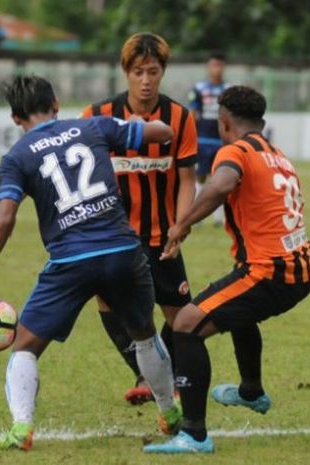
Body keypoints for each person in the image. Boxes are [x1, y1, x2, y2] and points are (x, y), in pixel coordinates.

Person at [0, 75, 182, 451]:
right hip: (122, 251)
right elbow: (161, 133)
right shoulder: (92, 126)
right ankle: (170, 412)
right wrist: (149, 125)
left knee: (23, 346)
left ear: (16, 118)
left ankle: (22, 429)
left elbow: (4, 219)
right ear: (55, 102)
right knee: (144, 333)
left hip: (72, 261)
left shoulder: (17, 157)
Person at [144, 85, 310, 454]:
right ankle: (250, 392)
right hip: (298, 270)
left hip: (269, 271)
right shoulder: (278, 155)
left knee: (185, 324)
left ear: (223, 122)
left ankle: (194, 435)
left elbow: (221, 185)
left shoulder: (234, 150)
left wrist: (182, 223)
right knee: (235, 308)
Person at [81, 32, 198, 405]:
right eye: (137, 72)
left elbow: (186, 179)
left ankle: (158, 374)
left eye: (152, 71)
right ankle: (146, 374)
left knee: (182, 317)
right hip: (114, 237)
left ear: (163, 71)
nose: (145, 81)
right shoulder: (97, 116)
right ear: (125, 72)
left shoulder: (179, 117)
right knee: (108, 304)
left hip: (161, 235)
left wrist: (182, 224)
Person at [188, 52, 228, 225]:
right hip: (203, 139)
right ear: (208, 67)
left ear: (223, 67)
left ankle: (219, 218)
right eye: (213, 65)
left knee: (219, 178)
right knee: (200, 176)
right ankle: (199, 217)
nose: (216, 69)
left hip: (221, 140)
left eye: (219, 65)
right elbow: (193, 112)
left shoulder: (228, 89)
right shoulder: (199, 88)